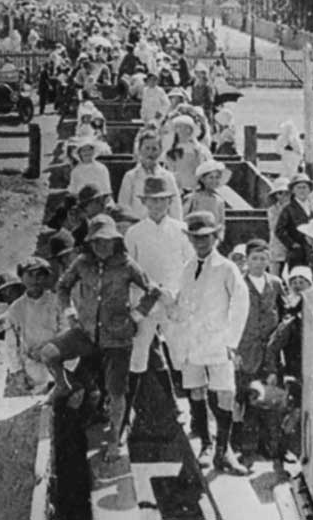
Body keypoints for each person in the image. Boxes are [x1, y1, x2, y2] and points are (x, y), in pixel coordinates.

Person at [53, 214, 162, 462]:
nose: (102, 247)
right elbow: (62, 287)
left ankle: (114, 440)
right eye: (97, 242)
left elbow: (153, 290)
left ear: (116, 242)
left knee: (116, 391)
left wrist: (135, 316)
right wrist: (70, 314)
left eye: (107, 241)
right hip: (89, 336)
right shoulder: (81, 263)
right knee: (77, 381)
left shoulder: (126, 264)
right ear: (90, 243)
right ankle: (79, 428)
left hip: (118, 340)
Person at [164, 211, 250, 474]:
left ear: (216, 236)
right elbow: (183, 305)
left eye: (206, 237)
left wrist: (231, 341)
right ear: (189, 239)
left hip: (219, 342)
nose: (200, 242)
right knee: (196, 391)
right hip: (193, 342)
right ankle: (206, 444)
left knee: (225, 393)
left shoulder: (227, 268)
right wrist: (169, 305)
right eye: (195, 237)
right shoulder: (188, 268)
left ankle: (224, 451)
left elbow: (240, 304)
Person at [123, 176, 195, 427]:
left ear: (168, 201)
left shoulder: (181, 230)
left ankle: (190, 413)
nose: (157, 205)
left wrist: (174, 294)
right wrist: (145, 298)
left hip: (173, 303)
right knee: (138, 357)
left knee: (181, 355)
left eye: (162, 200)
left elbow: (190, 267)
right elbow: (129, 271)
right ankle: (127, 413)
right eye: (151, 201)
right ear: (144, 202)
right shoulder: (134, 233)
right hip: (144, 304)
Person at [231, 239, 289, 469]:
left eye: (263, 258)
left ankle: (273, 448)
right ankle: (247, 450)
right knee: (246, 400)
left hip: (270, 351)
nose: (259, 263)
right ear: (246, 260)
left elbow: (285, 313)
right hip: (246, 350)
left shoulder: (275, 283)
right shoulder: (238, 284)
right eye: (254, 258)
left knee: (271, 399)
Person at [0, 258, 65, 397]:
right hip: (31, 371)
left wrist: (49, 349)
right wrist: (18, 372)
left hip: (59, 365)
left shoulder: (57, 302)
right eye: (30, 275)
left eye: (40, 275)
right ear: (22, 278)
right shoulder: (15, 310)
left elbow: (66, 330)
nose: (35, 280)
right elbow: (12, 346)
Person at [117, 129, 183, 221]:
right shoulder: (130, 177)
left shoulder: (168, 177)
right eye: (147, 148)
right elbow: (123, 206)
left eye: (154, 149)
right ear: (140, 150)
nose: (150, 153)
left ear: (160, 151)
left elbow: (175, 207)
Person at [275, 173, 313, 271]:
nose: (302, 190)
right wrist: (292, 244)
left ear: (309, 189)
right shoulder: (288, 209)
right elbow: (279, 230)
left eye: (304, 187)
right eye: (299, 188)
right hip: (297, 252)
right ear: (293, 190)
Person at [162, 115, 212, 194]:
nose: (182, 131)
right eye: (178, 128)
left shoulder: (198, 149)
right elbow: (169, 168)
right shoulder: (171, 149)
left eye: (186, 128)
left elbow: (202, 167)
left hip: (194, 186)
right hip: (177, 187)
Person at [183, 159, 229, 241]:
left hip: (212, 237)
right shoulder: (193, 198)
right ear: (202, 179)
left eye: (217, 177)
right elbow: (183, 218)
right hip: (193, 236)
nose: (214, 181)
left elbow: (221, 222)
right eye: (211, 177)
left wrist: (219, 237)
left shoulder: (219, 200)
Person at [266, 177, 292, 277]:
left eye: (286, 193)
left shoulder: (296, 208)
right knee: (275, 277)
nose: (284, 196)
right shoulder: (272, 210)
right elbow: (275, 227)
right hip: (277, 248)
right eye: (280, 193)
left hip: (291, 248)